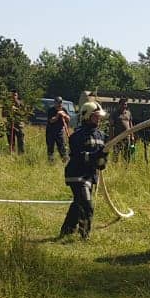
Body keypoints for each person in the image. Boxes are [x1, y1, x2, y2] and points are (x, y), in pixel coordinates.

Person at [60, 101, 108, 240]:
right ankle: (84, 235)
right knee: (86, 204)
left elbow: (102, 158)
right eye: (95, 117)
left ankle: (67, 230)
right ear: (87, 116)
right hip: (77, 174)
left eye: (99, 117)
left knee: (78, 203)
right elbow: (78, 156)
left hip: (90, 175)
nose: (98, 119)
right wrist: (95, 156)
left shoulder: (101, 135)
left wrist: (102, 161)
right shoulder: (77, 136)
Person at [45, 98, 71, 163]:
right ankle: (50, 162)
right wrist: (58, 115)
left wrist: (64, 115)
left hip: (60, 132)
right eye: (58, 103)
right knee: (50, 148)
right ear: (55, 103)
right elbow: (51, 120)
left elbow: (68, 119)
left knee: (62, 147)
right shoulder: (51, 110)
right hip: (50, 132)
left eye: (61, 102)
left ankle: (65, 161)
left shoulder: (64, 109)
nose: (60, 104)